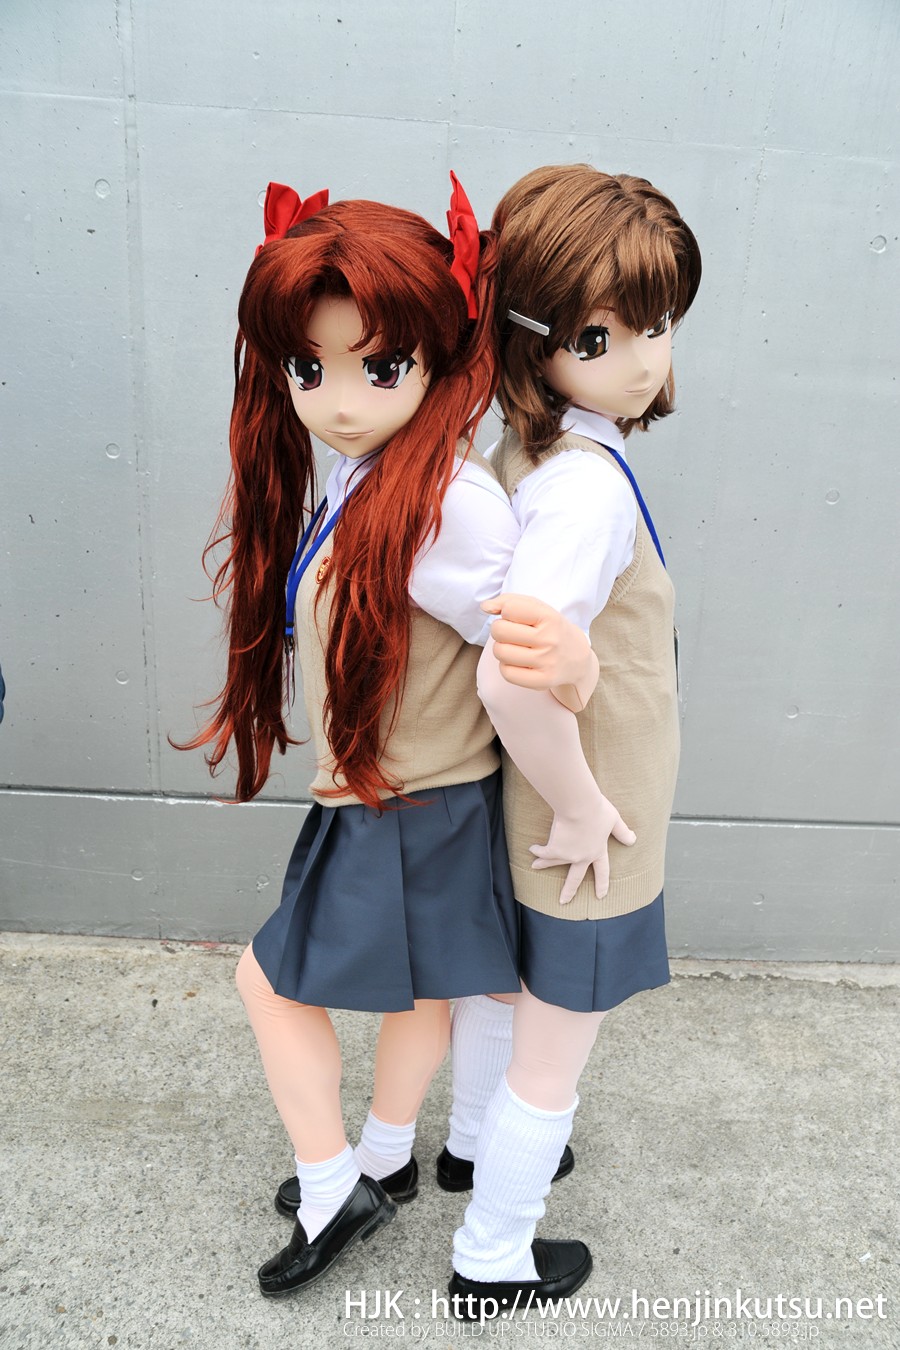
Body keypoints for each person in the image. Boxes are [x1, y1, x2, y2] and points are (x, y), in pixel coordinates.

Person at [185, 177, 593, 1299]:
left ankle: (336, 1191)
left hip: (406, 798)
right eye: (306, 368)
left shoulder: (446, 503)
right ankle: (381, 1155)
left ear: (437, 356)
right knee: (422, 990)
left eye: (380, 367)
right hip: (399, 791)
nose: (337, 400)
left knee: (268, 986)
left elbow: (517, 646)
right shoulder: (372, 470)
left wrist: (574, 754)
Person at [446, 164, 702, 1313]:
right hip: (581, 812)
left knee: (504, 996)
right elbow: (513, 676)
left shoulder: (534, 447)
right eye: (602, 337)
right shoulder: (584, 491)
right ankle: (494, 1255)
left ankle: (471, 1148)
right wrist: (589, 805)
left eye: (658, 324)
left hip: (536, 802)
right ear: (532, 337)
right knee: (556, 1045)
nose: (643, 361)